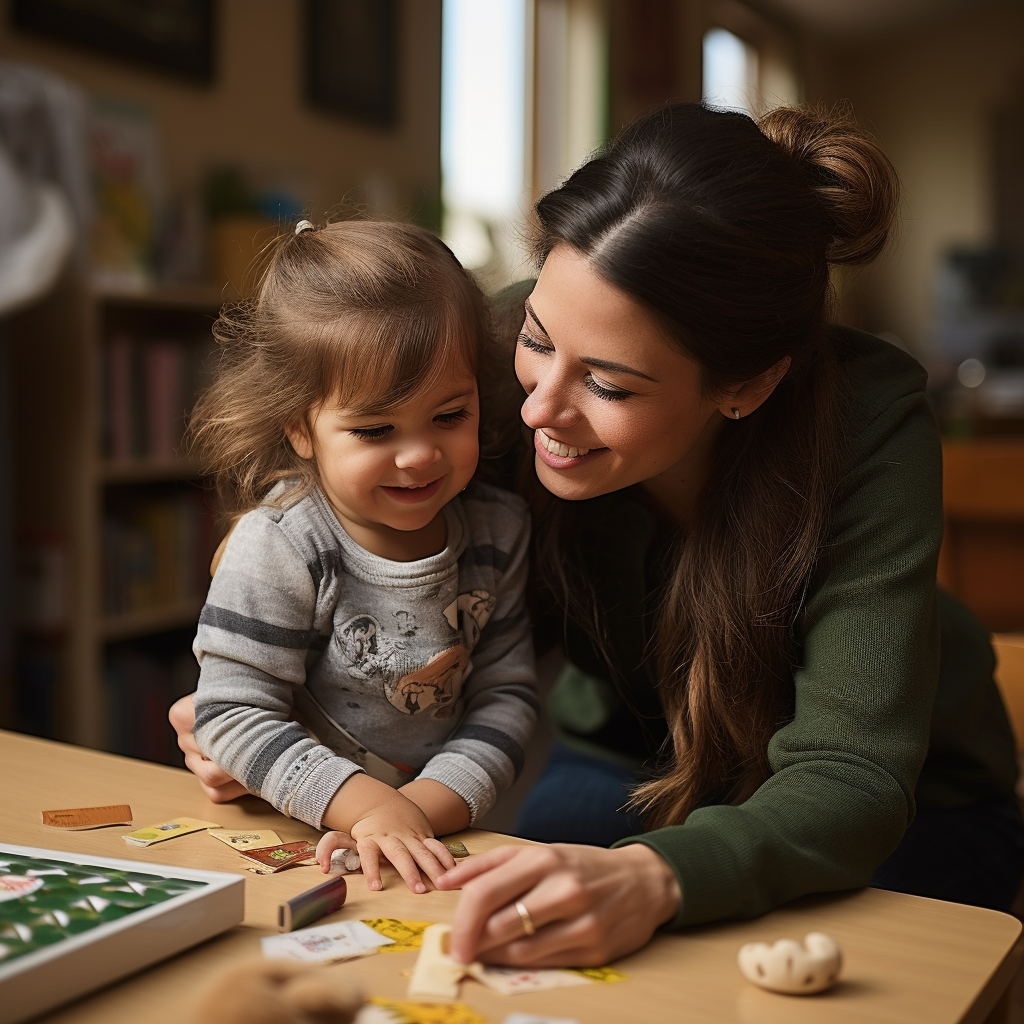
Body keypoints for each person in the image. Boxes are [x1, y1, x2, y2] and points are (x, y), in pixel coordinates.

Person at [173, 101, 1024, 967]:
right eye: (537, 339)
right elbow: (332, 497)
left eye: (610, 386)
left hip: (899, 807)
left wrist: (661, 875)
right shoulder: (483, 356)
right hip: (624, 765)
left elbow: (852, 777)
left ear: (747, 384)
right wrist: (253, 701)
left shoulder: (870, 427)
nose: (537, 408)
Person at [183, 218, 538, 895]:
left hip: (440, 836)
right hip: (297, 837)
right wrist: (369, 809)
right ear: (300, 428)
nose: (419, 454)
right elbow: (230, 713)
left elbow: (507, 696)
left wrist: (415, 814)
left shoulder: (500, 528)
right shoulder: (284, 543)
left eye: (449, 415)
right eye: (375, 429)